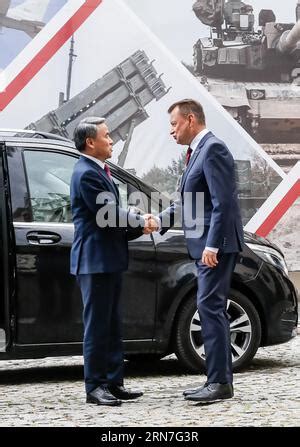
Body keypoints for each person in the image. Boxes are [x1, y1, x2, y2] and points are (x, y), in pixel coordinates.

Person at [149, 99, 244, 403]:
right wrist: (157, 222)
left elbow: (223, 203)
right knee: (209, 309)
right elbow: (187, 202)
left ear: (191, 120)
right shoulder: (197, 153)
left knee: (210, 308)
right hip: (206, 245)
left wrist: (212, 245)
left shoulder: (213, 148)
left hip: (214, 247)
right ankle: (217, 380)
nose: (171, 132)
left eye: (174, 125)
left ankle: (219, 383)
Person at [70, 116, 155, 406]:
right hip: (94, 261)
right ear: (90, 142)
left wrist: (135, 221)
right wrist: (141, 222)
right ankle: (95, 386)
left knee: (112, 324)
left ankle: (113, 382)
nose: (111, 140)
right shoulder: (87, 173)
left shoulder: (99, 170)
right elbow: (109, 216)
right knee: (97, 326)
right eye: (106, 136)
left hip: (108, 259)